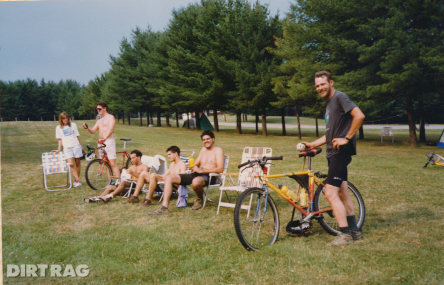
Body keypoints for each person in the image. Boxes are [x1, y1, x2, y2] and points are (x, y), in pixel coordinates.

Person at [302, 71, 365, 246]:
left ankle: (345, 234)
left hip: (340, 153)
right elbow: (330, 134)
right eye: (317, 86)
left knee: (330, 192)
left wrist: (347, 137)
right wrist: (313, 144)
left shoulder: (340, 97)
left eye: (322, 84)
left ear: (331, 82)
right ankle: (354, 231)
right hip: (333, 153)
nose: (319, 88)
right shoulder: (330, 104)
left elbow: (359, 115)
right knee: (343, 192)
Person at [148, 131, 225, 215]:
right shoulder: (203, 150)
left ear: (213, 139)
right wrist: (195, 167)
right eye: (203, 140)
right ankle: (164, 207)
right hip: (197, 174)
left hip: (210, 176)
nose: (205, 141)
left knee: (195, 182)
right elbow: (196, 163)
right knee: (169, 177)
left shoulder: (218, 150)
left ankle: (199, 198)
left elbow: (220, 169)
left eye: (208, 139)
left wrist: (202, 171)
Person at [122, 146, 187, 208]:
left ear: (175, 153)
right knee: (144, 173)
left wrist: (168, 178)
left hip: (172, 185)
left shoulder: (182, 165)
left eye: (169, 154)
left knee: (153, 175)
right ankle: (135, 197)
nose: (168, 156)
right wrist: (162, 177)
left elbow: (182, 179)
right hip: (165, 182)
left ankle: (148, 199)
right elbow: (164, 175)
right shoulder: (172, 164)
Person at [82, 102, 120, 178]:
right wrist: (87, 127)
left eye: (99, 109)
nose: (98, 110)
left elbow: (111, 129)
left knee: (112, 163)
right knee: (105, 163)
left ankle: (119, 182)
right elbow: (93, 131)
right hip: (101, 142)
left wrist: (104, 139)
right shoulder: (99, 120)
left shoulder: (110, 117)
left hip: (108, 141)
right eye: (97, 109)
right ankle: (110, 181)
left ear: (105, 108)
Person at [52, 112, 85, 187]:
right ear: (61, 119)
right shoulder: (58, 128)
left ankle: (76, 180)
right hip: (67, 147)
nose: (65, 119)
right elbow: (60, 139)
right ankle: (78, 180)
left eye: (66, 118)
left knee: (78, 164)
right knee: (71, 164)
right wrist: (58, 149)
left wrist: (81, 146)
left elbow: (77, 136)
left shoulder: (73, 125)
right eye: (63, 118)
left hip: (76, 146)